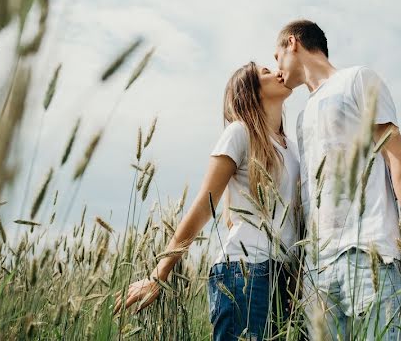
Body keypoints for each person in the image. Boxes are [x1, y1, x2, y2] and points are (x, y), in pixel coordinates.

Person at [274, 19, 401, 340]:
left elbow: (398, 159)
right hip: (317, 267)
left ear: (293, 43)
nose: (276, 68)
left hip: (370, 254)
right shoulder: (300, 115)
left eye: (277, 56)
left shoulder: (357, 79)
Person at [114, 62, 300, 341]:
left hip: (283, 279)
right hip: (244, 273)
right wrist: (158, 273)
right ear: (251, 91)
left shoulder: (293, 149)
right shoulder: (240, 133)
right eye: (265, 72)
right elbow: (204, 205)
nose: (278, 72)